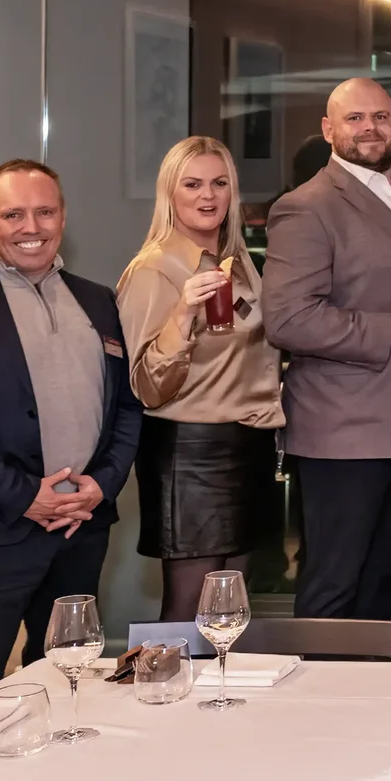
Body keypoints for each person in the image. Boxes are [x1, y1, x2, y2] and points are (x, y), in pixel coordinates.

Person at [0, 160, 143, 703]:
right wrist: (25, 497)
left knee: (70, 679)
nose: (30, 226)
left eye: (44, 211)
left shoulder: (100, 302)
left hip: (81, 526)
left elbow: (127, 408)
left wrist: (102, 484)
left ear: (63, 217)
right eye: (12, 214)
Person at [263, 77, 391, 623]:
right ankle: (316, 708)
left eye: (382, 117)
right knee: (333, 586)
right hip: (343, 432)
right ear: (328, 129)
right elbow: (288, 319)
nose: (370, 127)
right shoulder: (306, 207)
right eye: (354, 118)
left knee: (383, 578)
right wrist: (386, 327)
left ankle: (367, 704)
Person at [115, 136, 286, 623]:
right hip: (192, 452)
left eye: (219, 183)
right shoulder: (154, 269)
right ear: (170, 193)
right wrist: (185, 313)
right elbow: (145, 384)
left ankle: (219, 701)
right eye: (192, 184)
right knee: (187, 615)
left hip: (248, 446)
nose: (207, 196)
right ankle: (161, 699)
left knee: (228, 615)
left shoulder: (239, 262)